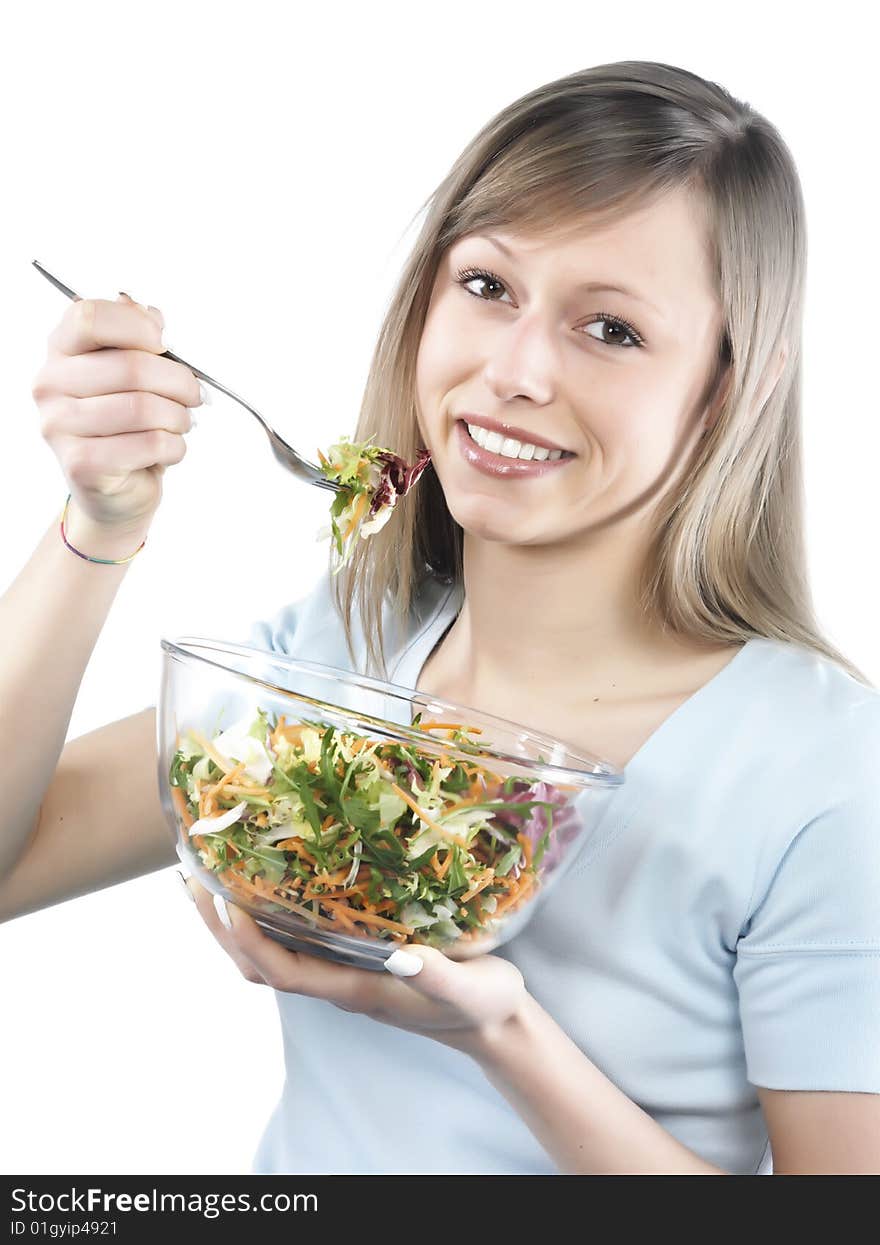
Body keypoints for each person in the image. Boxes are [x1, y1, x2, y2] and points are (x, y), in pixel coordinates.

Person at [1, 59, 878, 1176]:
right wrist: (99, 525)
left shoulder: (828, 774)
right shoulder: (340, 657)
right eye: (487, 286)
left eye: (610, 330)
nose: (512, 370)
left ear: (735, 382)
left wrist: (502, 1034)